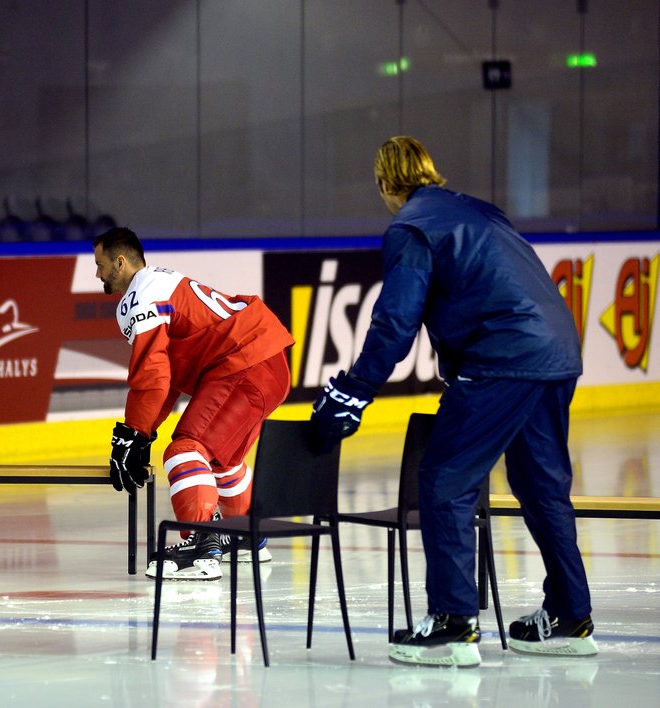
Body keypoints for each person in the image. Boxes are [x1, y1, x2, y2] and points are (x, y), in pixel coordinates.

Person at [309, 136, 596, 666]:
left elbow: (396, 320)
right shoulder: (479, 211)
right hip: (556, 349)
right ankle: (570, 616)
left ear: (384, 185)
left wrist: (357, 389)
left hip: (501, 357)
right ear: (430, 172)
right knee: (541, 485)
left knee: (445, 479)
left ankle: (453, 624)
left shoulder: (412, 226)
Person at [93, 227, 295, 580]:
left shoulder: (142, 295)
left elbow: (152, 374)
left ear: (120, 262)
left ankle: (202, 543)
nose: (97, 273)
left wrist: (132, 433)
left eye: (100, 264)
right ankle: (244, 536)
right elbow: (165, 379)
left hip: (244, 363)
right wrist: (142, 433)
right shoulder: (159, 284)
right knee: (223, 459)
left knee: (185, 451)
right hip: (265, 362)